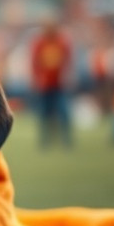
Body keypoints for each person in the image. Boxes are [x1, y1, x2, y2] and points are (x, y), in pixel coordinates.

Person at [30, 19, 73, 148]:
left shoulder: (62, 42)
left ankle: (66, 141)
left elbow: (68, 62)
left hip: (59, 85)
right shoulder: (39, 43)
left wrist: (68, 77)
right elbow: (34, 63)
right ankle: (44, 141)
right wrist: (35, 79)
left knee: (64, 113)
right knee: (43, 114)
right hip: (44, 85)